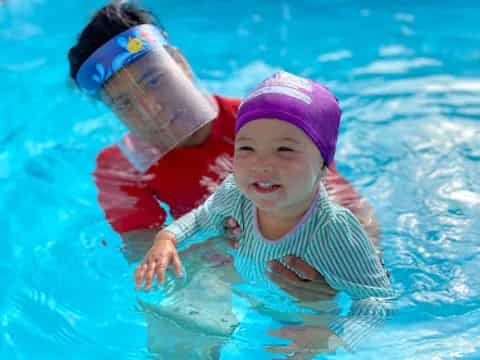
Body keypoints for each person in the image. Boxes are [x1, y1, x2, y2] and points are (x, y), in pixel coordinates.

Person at [67, 3, 381, 274]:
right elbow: (146, 254)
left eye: (153, 80)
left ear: (180, 64)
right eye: (124, 103)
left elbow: (347, 204)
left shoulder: (262, 121)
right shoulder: (120, 169)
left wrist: (365, 262)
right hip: (221, 263)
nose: (151, 108)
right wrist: (224, 248)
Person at [134, 72, 394, 354]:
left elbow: (375, 299)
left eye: (284, 149)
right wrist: (168, 237)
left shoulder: (335, 230)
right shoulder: (236, 193)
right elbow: (202, 217)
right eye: (246, 148)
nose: (262, 164)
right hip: (247, 286)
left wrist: (333, 337)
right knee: (176, 331)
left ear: (323, 164)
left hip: (307, 316)